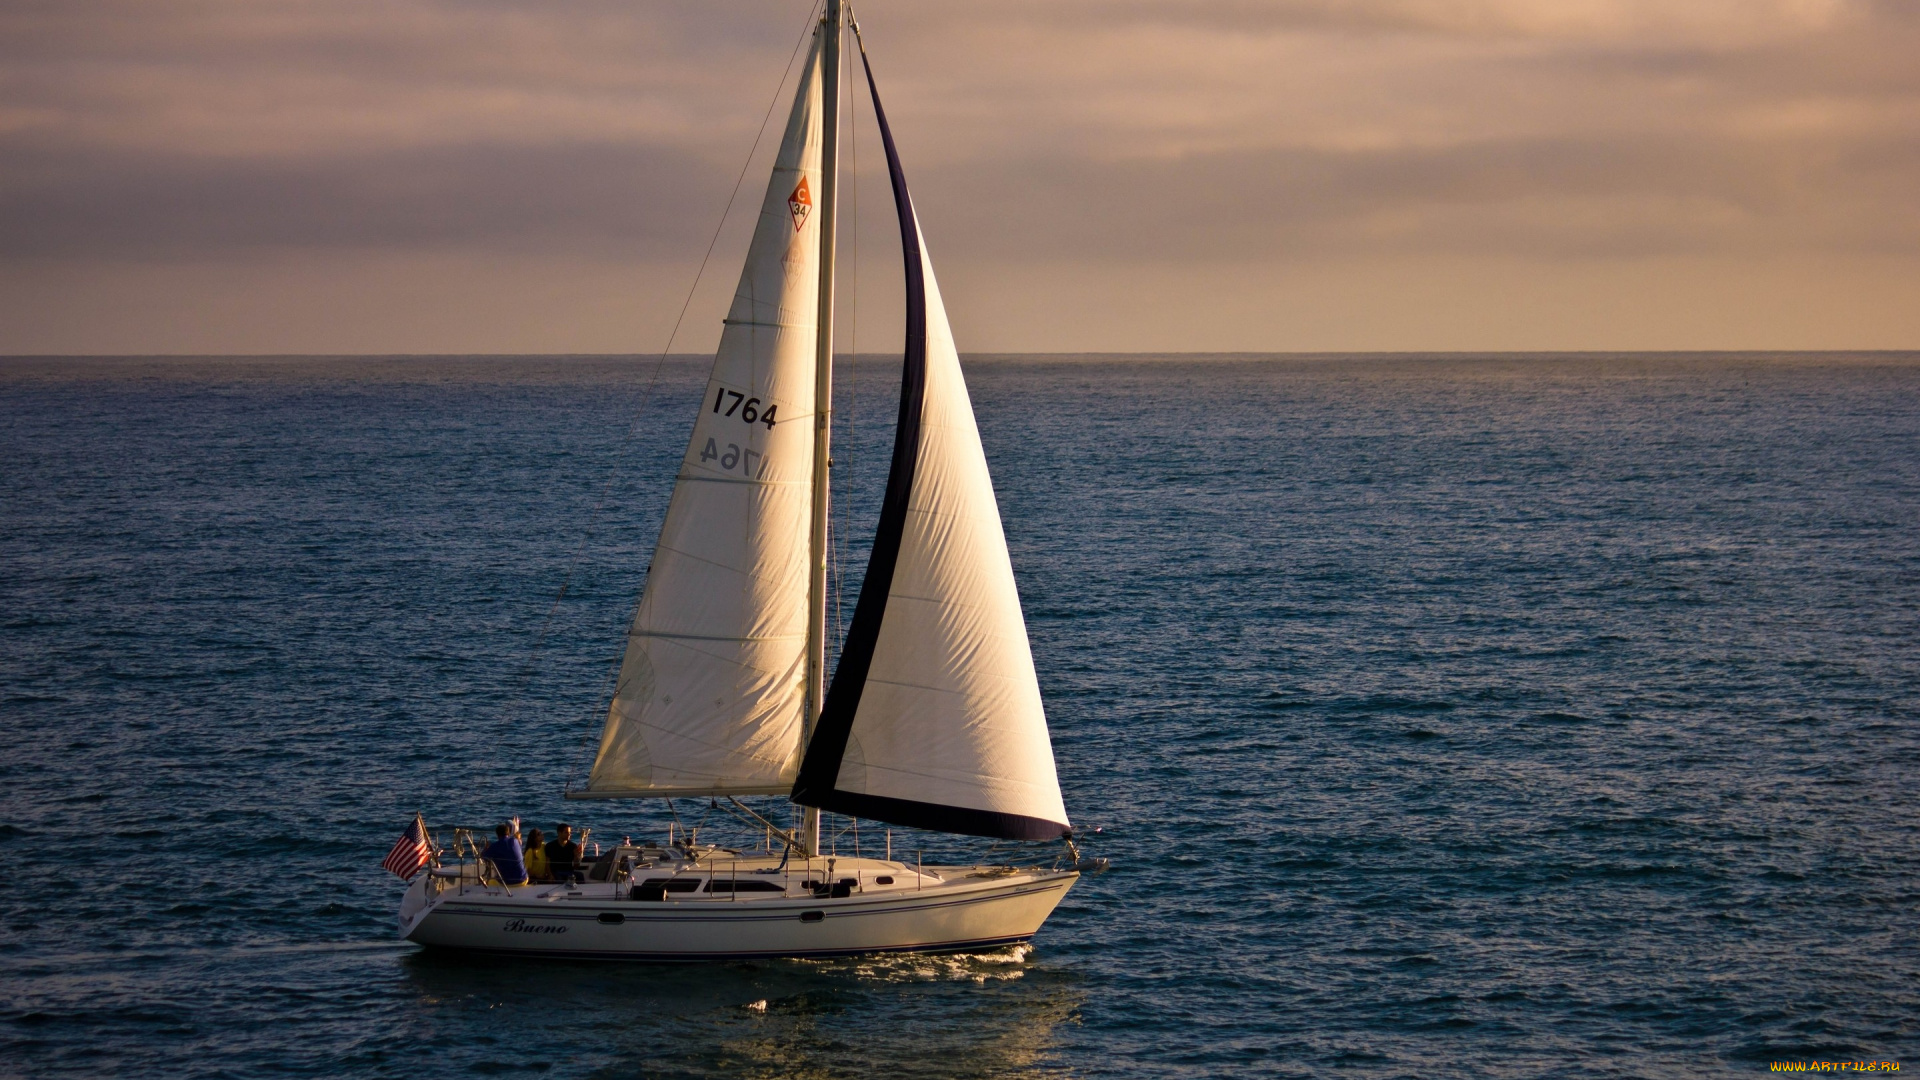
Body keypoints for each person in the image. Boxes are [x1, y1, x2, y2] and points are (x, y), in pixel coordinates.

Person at [481, 819, 528, 886]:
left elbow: (483, 856)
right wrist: (516, 829)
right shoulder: (515, 842)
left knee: (489, 882)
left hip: (506, 883)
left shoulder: (494, 846)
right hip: (523, 880)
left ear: (497, 835)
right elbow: (519, 840)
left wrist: (486, 848)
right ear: (508, 833)